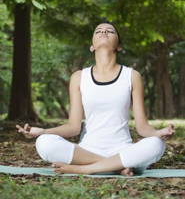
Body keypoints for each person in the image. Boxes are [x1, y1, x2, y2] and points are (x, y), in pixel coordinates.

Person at [16, 23, 174, 176]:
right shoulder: (79, 77)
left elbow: (142, 127)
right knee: (44, 143)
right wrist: (42, 131)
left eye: (110, 31)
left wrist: (158, 133)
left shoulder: (132, 76)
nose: (104, 32)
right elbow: (73, 127)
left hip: (123, 151)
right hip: (87, 151)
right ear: (92, 46)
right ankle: (116, 167)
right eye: (98, 31)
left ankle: (86, 169)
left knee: (156, 144)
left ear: (119, 46)